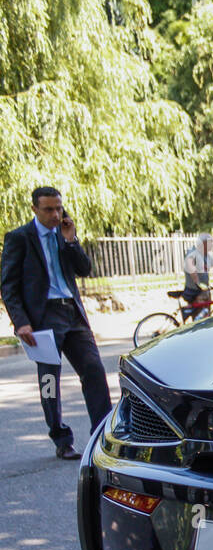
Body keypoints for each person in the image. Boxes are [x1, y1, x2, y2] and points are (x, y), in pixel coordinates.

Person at [1, 187, 112, 459]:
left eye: (59, 208)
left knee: (94, 371)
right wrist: (21, 322)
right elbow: (8, 286)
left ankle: (104, 435)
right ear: (34, 210)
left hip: (73, 315)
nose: (55, 214)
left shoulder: (65, 234)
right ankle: (61, 438)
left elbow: (84, 269)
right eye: (49, 209)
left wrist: (72, 240)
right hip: (42, 318)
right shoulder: (19, 238)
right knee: (50, 380)